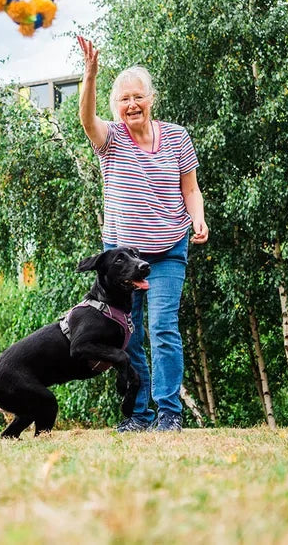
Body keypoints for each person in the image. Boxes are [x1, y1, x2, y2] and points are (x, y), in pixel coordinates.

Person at [76, 35, 209, 432]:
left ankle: (169, 413)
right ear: (117, 106)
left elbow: (190, 188)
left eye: (138, 97)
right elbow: (86, 119)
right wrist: (90, 75)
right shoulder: (111, 139)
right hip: (121, 258)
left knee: (163, 327)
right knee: (126, 335)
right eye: (124, 100)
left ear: (151, 99)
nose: (131, 105)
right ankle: (138, 414)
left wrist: (197, 217)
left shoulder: (177, 137)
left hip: (168, 250)